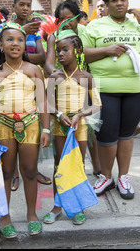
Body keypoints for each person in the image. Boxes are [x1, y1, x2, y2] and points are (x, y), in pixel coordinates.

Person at [81, 0, 140, 198]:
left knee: (126, 134)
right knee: (106, 135)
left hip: (136, 88)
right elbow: (82, 54)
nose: (119, 3)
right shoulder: (95, 26)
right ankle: (106, 177)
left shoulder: (138, 25)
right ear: (106, 5)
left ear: (128, 1)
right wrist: (106, 50)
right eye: (114, 0)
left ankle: (124, 176)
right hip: (104, 89)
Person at [0, 23, 50, 238]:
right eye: (10, 40)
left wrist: (46, 129)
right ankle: (5, 217)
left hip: (30, 123)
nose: (15, 43)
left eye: (20, 40)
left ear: (25, 45)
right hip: (4, 125)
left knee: (30, 171)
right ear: (1, 45)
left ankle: (32, 215)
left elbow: (42, 102)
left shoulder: (33, 70)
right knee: (6, 172)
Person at [43, 24, 101, 225]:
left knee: (78, 165)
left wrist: (81, 114)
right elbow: (47, 104)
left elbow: (97, 105)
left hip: (80, 126)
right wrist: (59, 114)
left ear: (77, 51)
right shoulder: (55, 77)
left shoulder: (86, 77)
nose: (60, 54)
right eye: (58, 51)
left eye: (65, 50)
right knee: (59, 165)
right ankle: (57, 206)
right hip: (60, 126)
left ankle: (78, 207)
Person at [0, 0, 48, 190]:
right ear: (14, 5)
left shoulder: (35, 30)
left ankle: (31, 171)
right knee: (9, 127)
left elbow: (41, 57)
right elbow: (1, 55)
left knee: (31, 127)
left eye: (29, 5)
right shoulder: (1, 27)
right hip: (7, 84)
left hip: (30, 83)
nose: (26, 8)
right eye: (22, 4)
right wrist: (21, 31)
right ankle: (13, 174)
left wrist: (21, 57)